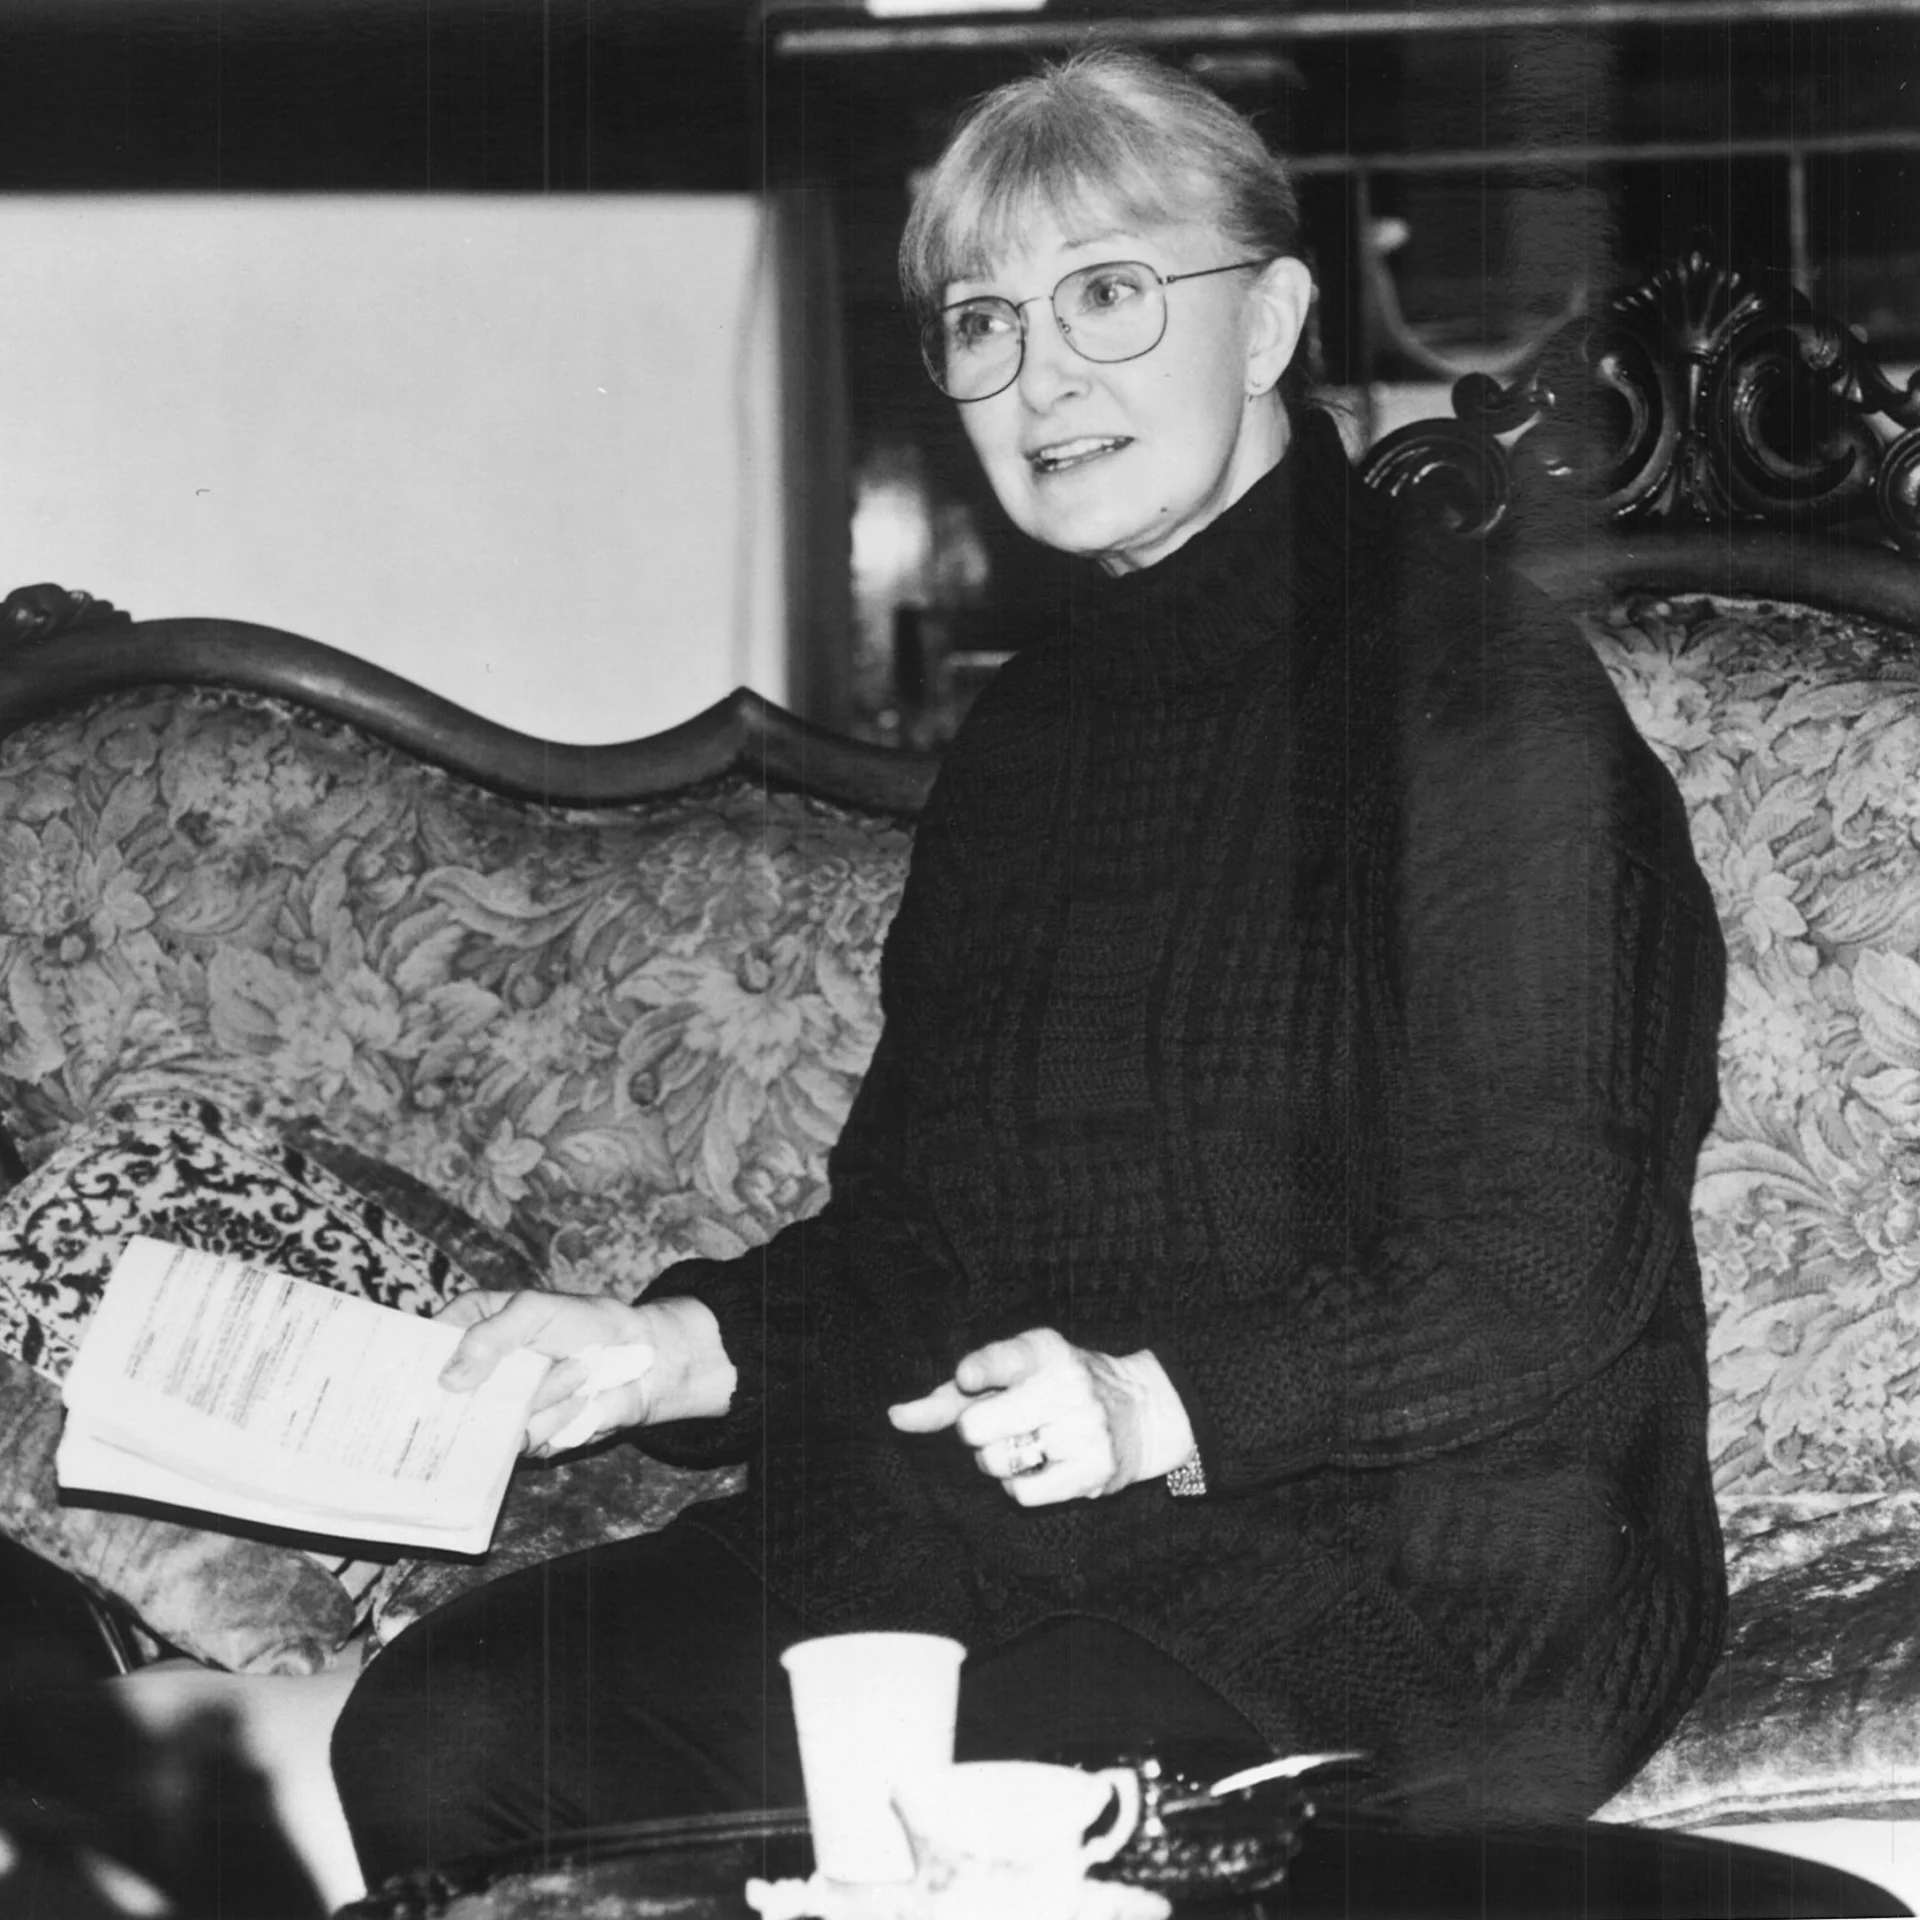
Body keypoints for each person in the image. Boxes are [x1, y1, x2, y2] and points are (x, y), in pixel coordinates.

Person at [332, 46, 1728, 1882]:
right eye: (980, 321)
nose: (1040, 368)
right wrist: (668, 1351)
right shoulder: (1024, 746)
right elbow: (920, 1240)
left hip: (1417, 1556)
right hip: (1015, 1531)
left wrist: (1165, 1401)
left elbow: (1553, 1254)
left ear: (1273, 322)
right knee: (456, 1730)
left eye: (1110, 294)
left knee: (980, 1822)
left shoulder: (1477, 701)